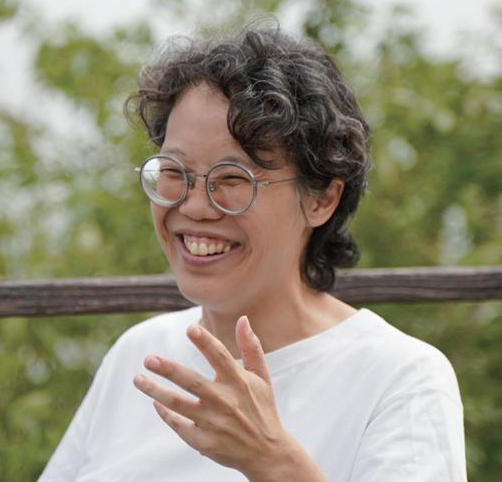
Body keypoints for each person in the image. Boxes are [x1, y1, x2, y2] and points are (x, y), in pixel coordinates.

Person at [37, 26, 467, 481]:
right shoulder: (140, 354)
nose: (195, 207)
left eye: (233, 178)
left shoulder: (401, 379)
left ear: (321, 199)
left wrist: (272, 460)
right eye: (174, 171)